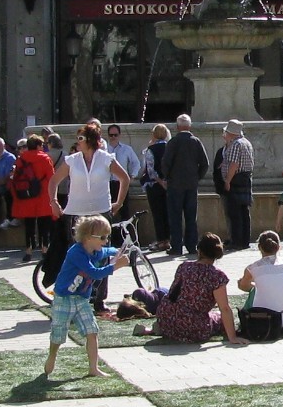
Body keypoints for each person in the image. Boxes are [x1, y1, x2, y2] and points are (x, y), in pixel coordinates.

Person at [51, 121, 132, 291]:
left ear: (90, 140)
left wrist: (119, 202)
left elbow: (124, 178)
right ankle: (74, 293)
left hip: (101, 211)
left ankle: (99, 298)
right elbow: (53, 181)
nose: (77, 141)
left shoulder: (105, 158)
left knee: (101, 254)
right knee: (76, 254)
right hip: (75, 212)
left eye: (80, 138)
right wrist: (54, 201)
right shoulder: (72, 160)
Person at [45, 214, 125, 377]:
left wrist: (117, 251)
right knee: (59, 332)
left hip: (81, 299)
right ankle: (52, 355)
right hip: (64, 298)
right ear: (88, 237)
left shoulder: (95, 250)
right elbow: (93, 273)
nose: (105, 241)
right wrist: (116, 266)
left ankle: (93, 368)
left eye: (107, 237)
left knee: (92, 331)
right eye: (102, 237)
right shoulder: (76, 253)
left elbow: (106, 251)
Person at [135, 233, 243, 346]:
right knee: (219, 318)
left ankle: (162, 328)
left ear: (199, 251)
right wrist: (233, 337)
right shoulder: (218, 276)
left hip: (166, 317)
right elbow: (224, 308)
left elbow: (174, 293)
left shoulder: (184, 266)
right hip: (192, 326)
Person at [237, 231, 283, 331]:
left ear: (259, 247)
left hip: (262, 321)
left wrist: (252, 285)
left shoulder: (252, 268)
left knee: (254, 291)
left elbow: (243, 286)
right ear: (278, 247)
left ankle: (245, 318)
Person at [161, 115, 209, 258]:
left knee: (175, 216)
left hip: (175, 185)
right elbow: (205, 164)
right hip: (191, 184)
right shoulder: (196, 142)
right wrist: (196, 177)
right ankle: (192, 246)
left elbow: (165, 163)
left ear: (177, 127)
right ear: (190, 126)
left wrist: (168, 177)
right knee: (191, 216)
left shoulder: (173, 142)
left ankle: (176, 247)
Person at [9, 133, 57, 260]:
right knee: (44, 225)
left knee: (29, 225)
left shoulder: (21, 159)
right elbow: (52, 178)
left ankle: (29, 250)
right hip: (43, 196)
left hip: (27, 196)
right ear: (38, 146)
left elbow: (15, 178)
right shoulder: (45, 158)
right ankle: (44, 249)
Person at [218, 121, 256, 252]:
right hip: (246, 178)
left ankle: (237, 241)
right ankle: (245, 241)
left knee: (235, 213)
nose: (225, 135)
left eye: (226, 132)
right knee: (244, 211)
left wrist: (227, 180)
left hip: (236, 180)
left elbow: (234, 164)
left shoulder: (235, 144)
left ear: (231, 133)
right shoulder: (247, 142)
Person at [140, 124, 172, 252]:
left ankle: (161, 240)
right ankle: (169, 239)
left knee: (157, 213)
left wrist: (160, 181)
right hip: (169, 185)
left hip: (154, 186)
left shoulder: (150, 149)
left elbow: (150, 170)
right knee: (168, 212)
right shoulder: (170, 147)